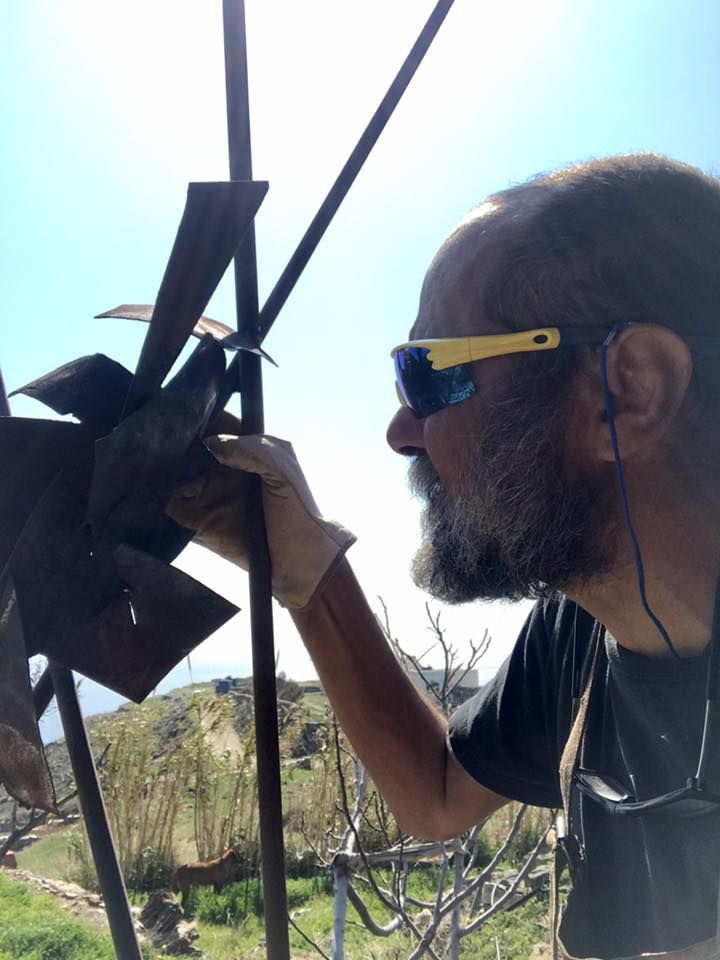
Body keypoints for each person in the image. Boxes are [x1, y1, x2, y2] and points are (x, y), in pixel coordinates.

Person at [168, 154, 720, 959]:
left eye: (428, 375)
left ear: (628, 389)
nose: (399, 432)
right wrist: (307, 566)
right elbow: (437, 791)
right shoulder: (580, 630)